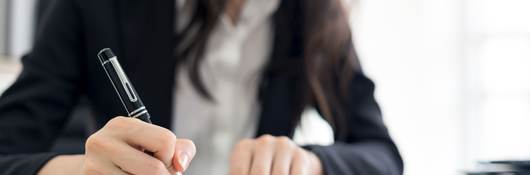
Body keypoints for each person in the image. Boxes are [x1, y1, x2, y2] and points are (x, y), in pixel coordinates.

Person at [0, 0, 404, 174]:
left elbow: (383, 156)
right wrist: (82, 171)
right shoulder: (98, 6)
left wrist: (309, 163)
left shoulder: (317, 17)